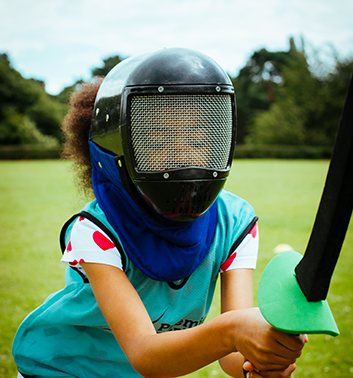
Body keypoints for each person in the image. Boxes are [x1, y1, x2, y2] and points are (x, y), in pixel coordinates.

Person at [12, 48, 306, 378]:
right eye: (155, 143)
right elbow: (146, 355)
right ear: (116, 150)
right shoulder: (95, 232)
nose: (182, 157)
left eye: (197, 141)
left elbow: (233, 360)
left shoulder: (233, 223)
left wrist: (265, 359)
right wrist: (234, 330)